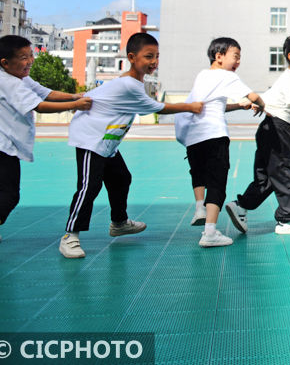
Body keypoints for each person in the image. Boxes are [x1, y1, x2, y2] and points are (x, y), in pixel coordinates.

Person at [60, 33, 203, 259]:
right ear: (131, 57)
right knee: (89, 186)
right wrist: (190, 106)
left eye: (157, 56)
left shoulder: (132, 83)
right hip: (90, 140)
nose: (154, 61)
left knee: (121, 177)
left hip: (107, 143)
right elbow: (156, 107)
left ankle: (119, 223)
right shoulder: (129, 85)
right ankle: (70, 236)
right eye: (148, 56)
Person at [0, 35, 92, 263]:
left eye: (31, 55)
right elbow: (39, 105)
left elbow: (46, 93)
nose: (30, 61)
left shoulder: (21, 79)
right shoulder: (10, 83)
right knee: (9, 193)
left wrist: (75, 95)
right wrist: (75, 105)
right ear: (5, 63)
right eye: (23, 57)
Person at [226, 36, 290, 236]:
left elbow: (268, 100)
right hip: (278, 130)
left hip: (266, 130)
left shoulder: (285, 78)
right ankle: (287, 222)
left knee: (268, 177)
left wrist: (258, 104)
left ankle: (241, 206)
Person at [174, 37, 264, 248]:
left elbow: (215, 105)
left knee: (198, 172)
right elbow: (254, 95)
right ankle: (210, 232)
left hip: (194, 137)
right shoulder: (227, 76)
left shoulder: (203, 75)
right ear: (219, 56)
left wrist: (238, 107)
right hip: (214, 135)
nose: (238, 62)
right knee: (217, 181)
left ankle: (199, 208)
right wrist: (260, 104)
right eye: (236, 57)